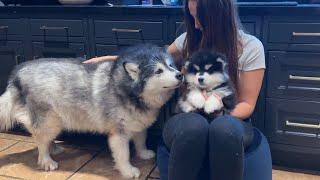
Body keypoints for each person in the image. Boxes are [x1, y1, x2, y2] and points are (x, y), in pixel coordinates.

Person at [83, 0, 265, 179]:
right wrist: (110, 59)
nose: (196, 25)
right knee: (194, 126)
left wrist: (216, 115)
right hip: (188, 118)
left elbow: (247, 104)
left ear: (219, 16)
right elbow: (149, 62)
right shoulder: (187, 40)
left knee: (223, 128)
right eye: (192, 17)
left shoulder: (251, 47)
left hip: (231, 119)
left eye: (201, 18)